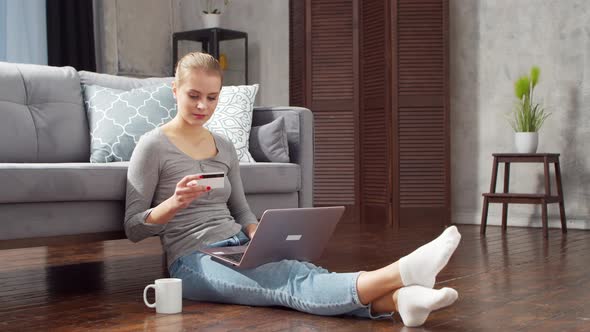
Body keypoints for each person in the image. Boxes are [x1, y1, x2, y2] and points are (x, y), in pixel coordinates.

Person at [124, 52, 461, 327]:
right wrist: (173, 203)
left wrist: (261, 236)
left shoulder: (223, 146)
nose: (203, 106)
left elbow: (240, 209)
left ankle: (401, 302)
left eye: (212, 98)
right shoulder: (152, 145)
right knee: (288, 281)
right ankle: (402, 272)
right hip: (192, 260)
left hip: (238, 244)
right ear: (174, 91)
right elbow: (134, 227)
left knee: (302, 272)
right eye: (193, 96)